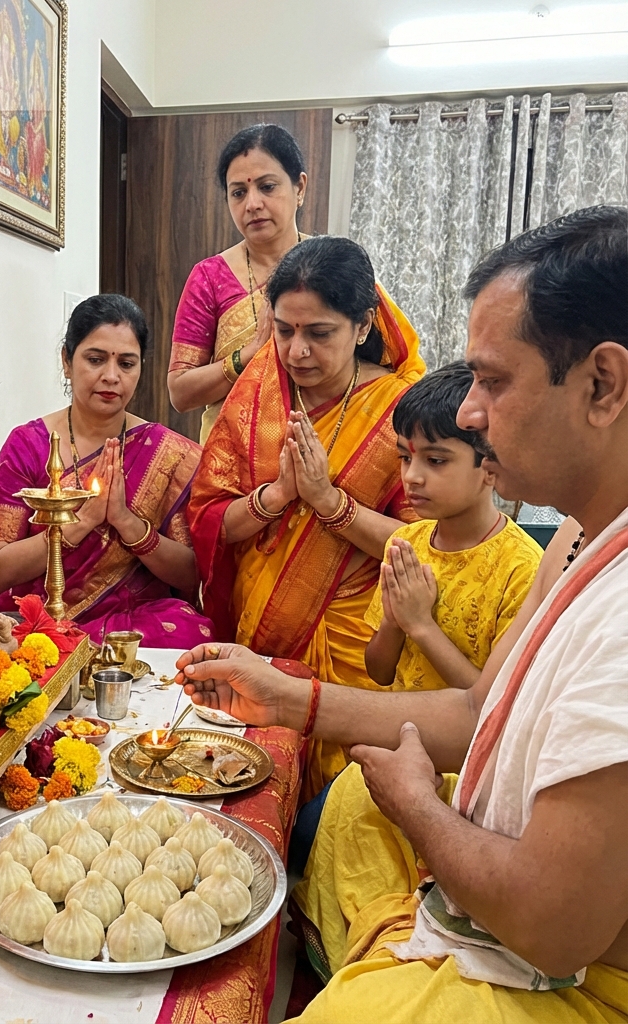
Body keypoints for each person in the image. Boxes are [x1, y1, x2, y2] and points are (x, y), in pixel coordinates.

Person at [176, 205, 628, 1023]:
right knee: (345, 813)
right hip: (499, 907)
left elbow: (557, 931)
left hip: (559, 971)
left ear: (602, 384)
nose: (469, 412)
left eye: (493, 380)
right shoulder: (577, 536)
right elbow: (477, 709)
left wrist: (421, 807)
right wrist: (286, 700)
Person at [188, 234, 424, 798]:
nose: (296, 352)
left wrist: (330, 504)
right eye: (284, 330)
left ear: (363, 325)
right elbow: (209, 518)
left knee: (334, 813)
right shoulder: (256, 394)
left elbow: (426, 548)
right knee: (246, 788)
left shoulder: (402, 408)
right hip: (259, 634)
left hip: (357, 651)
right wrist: (276, 497)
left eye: (319, 334)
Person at [0, 294, 215, 648]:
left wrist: (128, 523)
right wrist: (79, 525)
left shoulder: (168, 453)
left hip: (138, 618)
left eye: (126, 364)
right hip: (43, 618)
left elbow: (189, 575)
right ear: (66, 360)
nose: (111, 376)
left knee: (194, 630)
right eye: (95, 359)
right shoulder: (28, 445)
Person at [364, 362, 543, 691]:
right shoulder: (406, 544)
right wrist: (393, 621)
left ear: (490, 465)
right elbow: (379, 672)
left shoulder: (523, 571)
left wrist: (419, 624)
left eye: (435, 461)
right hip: (395, 731)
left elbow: (490, 703)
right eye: (405, 457)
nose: (411, 476)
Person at [167, 123, 310, 442]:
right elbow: (180, 391)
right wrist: (247, 356)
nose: (252, 204)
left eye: (267, 187)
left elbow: (384, 363)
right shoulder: (209, 277)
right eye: (239, 192)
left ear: (299, 187)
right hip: (228, 469)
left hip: (320, 458)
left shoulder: (335, 265)